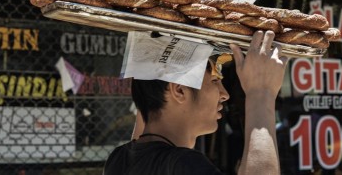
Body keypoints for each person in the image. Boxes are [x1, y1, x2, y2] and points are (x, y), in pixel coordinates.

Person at [103, 30, 288, 174]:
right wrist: (261, 91)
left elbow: (148, 117)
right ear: (180, 90)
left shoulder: (119, 160)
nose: (225, 95)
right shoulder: (182, 164)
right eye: (215, 80)